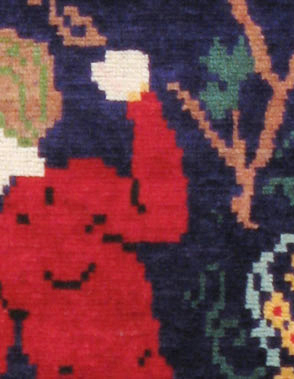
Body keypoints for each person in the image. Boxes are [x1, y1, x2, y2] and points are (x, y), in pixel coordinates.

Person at [0, 35, 188, 378]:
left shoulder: (78, 189)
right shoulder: (77, 188)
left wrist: (142, 102)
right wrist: (141, 100)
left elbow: (164, 216)